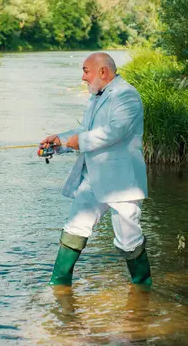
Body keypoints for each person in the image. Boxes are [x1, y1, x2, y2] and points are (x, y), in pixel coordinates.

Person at [40, 52, 151, 286]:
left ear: (103, 72)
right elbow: (87, 130)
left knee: (128, 240)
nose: (83, 77)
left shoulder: (126, 95)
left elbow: (114, 131)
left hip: (122, 182)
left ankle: (143, 289)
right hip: (93, 176)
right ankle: (58, 286)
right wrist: (59, 140)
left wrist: (78, 141)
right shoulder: (96, 97)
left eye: (85, 71)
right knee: (74, 227)